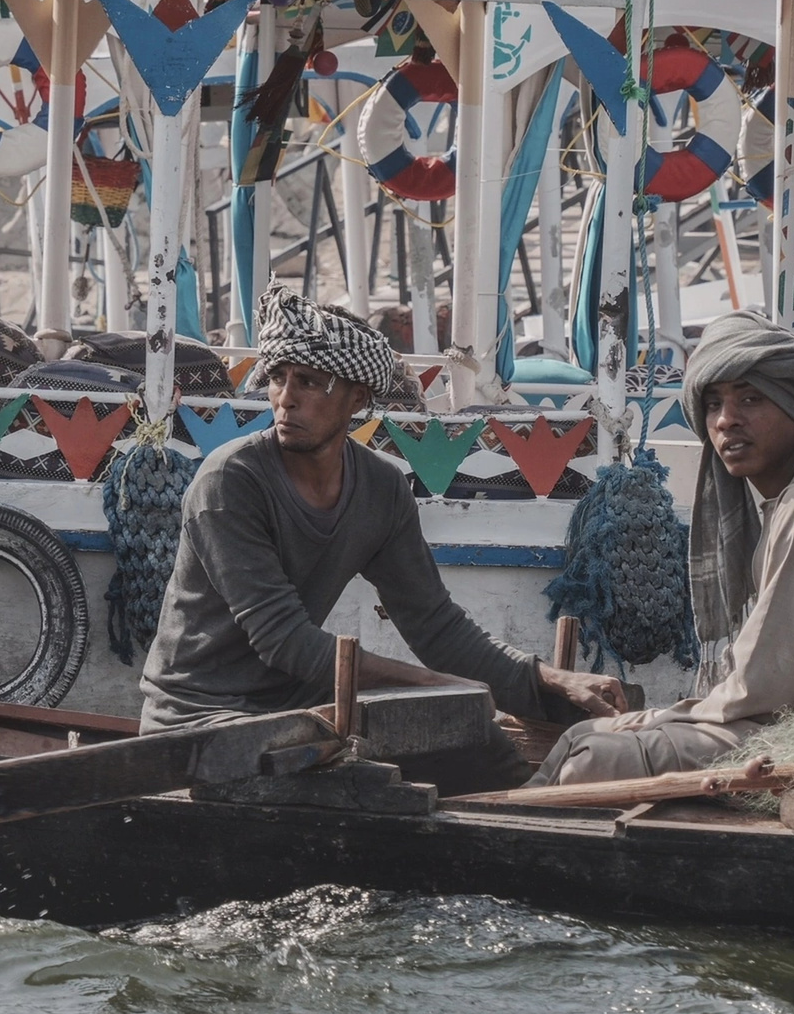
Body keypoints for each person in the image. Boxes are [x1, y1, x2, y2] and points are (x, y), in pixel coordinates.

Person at [139, 286, 626, 780]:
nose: (285, 400)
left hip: (298, 707)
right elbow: (285, 642)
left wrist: (548, 680)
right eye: (279, 379)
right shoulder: (230, 481)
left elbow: (437, 628)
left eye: (309, 382)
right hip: (200, 719)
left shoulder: (382, 488)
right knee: (388, 765)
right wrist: (437, 686)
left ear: (358, 397)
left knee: (481, 747)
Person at [531, 311, 794, 785]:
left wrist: (663, 718)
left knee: (591, 758)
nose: (727, 421)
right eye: (713, 404)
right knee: (582, 736)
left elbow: (772, 685)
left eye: (750, 399)